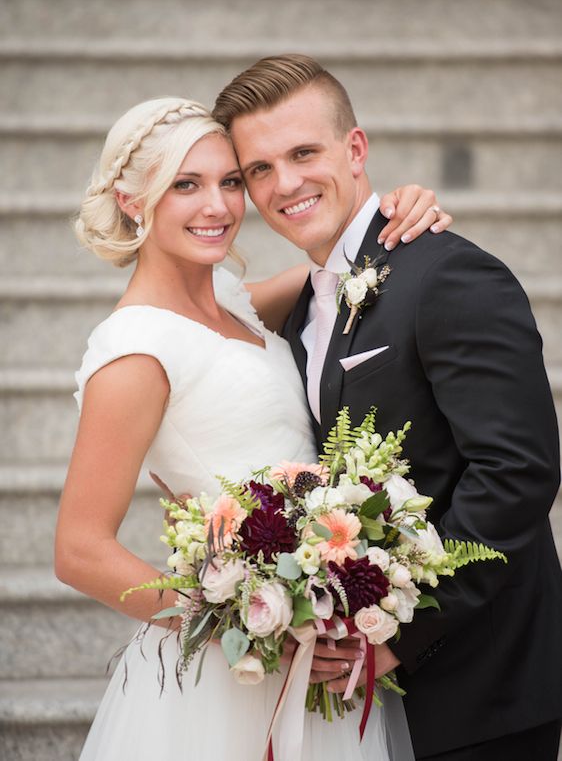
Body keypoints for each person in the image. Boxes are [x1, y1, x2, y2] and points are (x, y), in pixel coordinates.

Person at [54, 96, 453, 761]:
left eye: (230, 182)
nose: (218, 207)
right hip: (236, 663)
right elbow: (79, 549)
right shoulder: (134, 350)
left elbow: (339, 267)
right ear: (131, 200)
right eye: (186, 185)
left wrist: (399, 208)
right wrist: (239, 615)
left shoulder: (236, 300)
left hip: (315, 631)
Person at [213, 54, 562, 760]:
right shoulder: (300, 308)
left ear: (356, 148)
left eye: (304, 152)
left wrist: (400, 635)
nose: (285, 184)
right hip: (371, 698)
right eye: (260, 169)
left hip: (481, 687)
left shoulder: (448, 274)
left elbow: (517, 471)